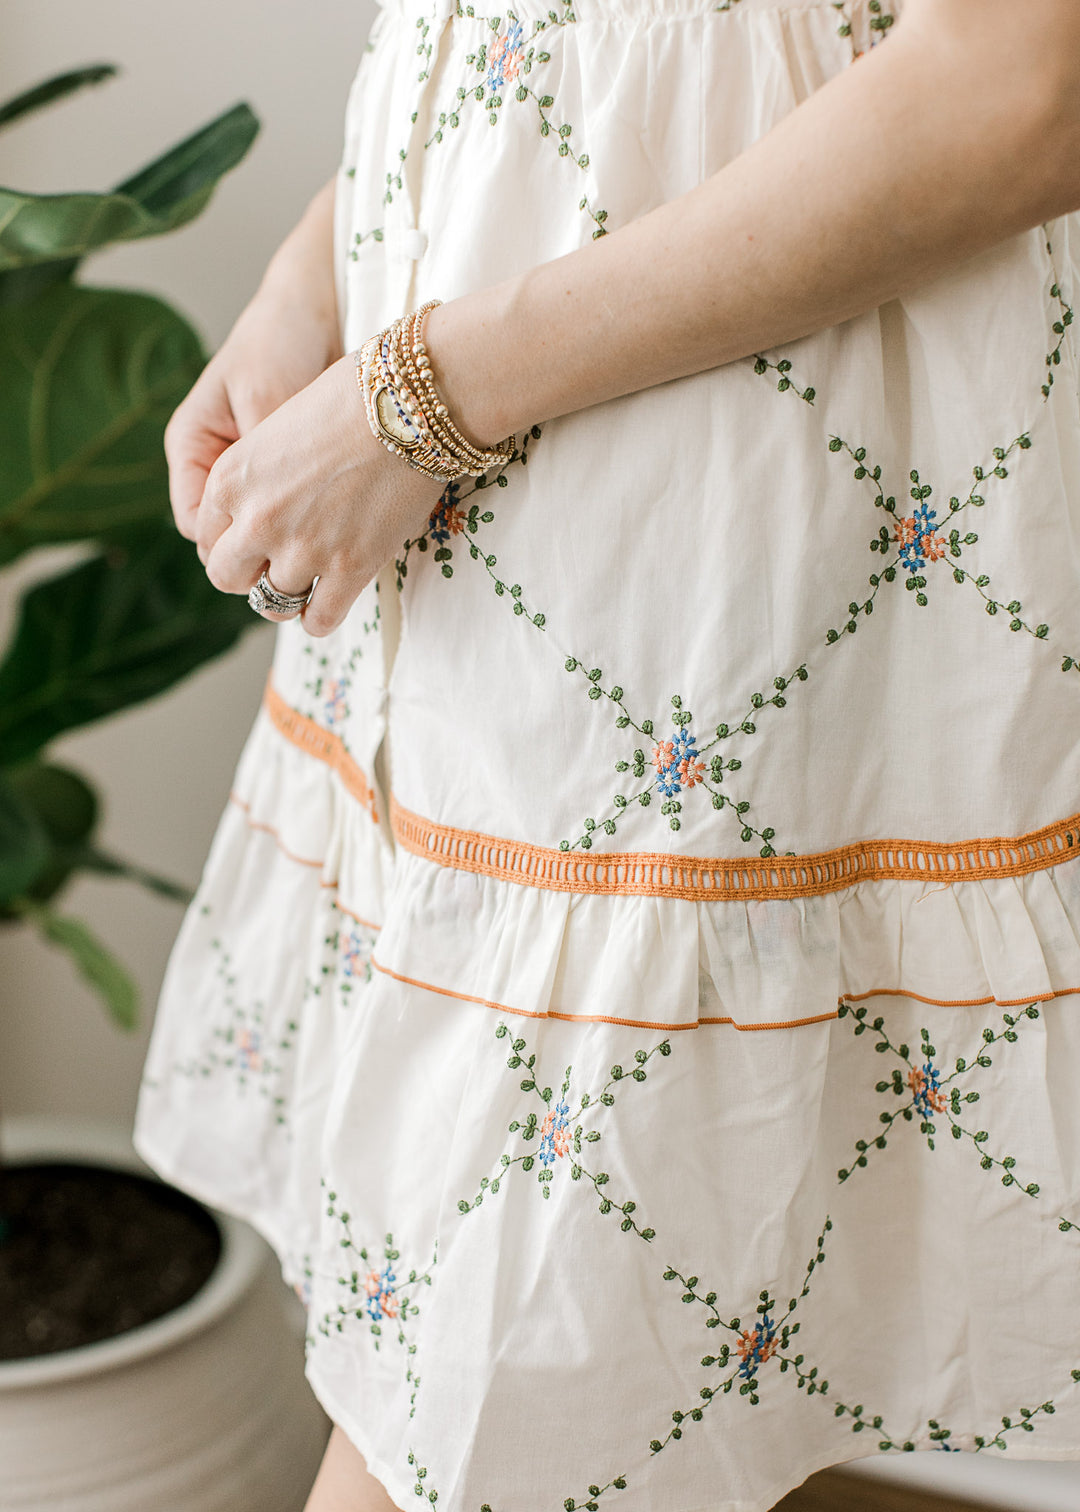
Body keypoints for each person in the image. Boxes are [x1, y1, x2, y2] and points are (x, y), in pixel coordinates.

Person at [133, 0, 1080, 1508]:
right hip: (481, 530)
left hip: (706, 517)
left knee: (493, 1411)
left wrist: (417, 402)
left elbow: (1030, 78)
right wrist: (308, 277)